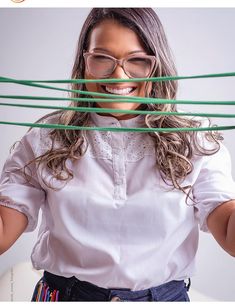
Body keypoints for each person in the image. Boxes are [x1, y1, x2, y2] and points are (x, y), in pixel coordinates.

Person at [0, 8, 235, 302]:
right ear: (83, 62)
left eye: (137, 61)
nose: (119, 75)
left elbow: (228, 229)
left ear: (156, 66)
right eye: (102, 58)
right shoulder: (46, 139)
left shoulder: (194, 140)